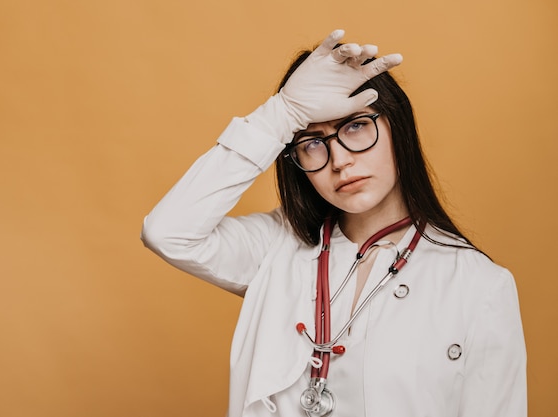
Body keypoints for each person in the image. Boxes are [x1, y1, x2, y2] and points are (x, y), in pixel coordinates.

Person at [141, 29, 527, 417]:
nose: (340, 160)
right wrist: (283, 113)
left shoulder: (480, 286)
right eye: (312, 142)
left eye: (356, 126)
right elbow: (168, 232)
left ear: (398, 127)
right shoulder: (276, 248)